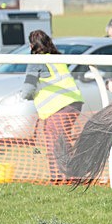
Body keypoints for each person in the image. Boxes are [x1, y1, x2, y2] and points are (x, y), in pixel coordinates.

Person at [19, 29, 84, 183]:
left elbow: (27, 90)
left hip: (59, 107)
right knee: (60, 142)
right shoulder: (56, 58)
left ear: (31, 46)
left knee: (55, 143)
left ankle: (63, 179)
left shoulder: (37, 61)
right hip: (73, 103)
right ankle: (65, 177)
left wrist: (22, 95)